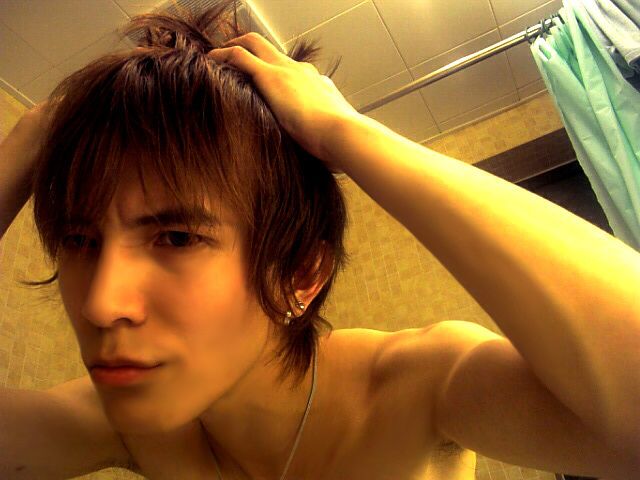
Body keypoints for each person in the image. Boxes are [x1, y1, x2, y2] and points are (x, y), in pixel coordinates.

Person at [1, 3, 639, 480]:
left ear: (299, 276)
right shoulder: (134, 426)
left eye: (174, 237)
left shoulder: (420, 385)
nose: (100, 304)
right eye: (80, 239)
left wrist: (345, 131)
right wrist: (25, 145)